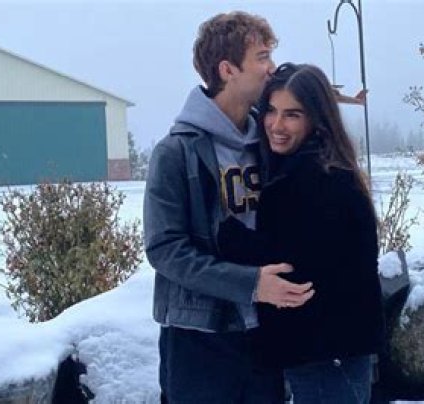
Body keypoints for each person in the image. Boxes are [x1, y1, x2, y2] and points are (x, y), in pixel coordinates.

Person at [143, 13, 315, 404]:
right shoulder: (175, 152)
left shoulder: (271, 144)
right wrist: (251, 284)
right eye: (262, 57)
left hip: (266, 331)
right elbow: (165, 250)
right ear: (228, 70)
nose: (271, 68)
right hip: (200, 338)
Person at [254, 63, 385, 403]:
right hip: (335, 349)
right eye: (271, 110)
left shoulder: (312, 181)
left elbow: (288, 263)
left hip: (324, 352)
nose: (276, 125)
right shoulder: (327, 167)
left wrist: (223, 236)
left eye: (292, 115)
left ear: (316, 117)